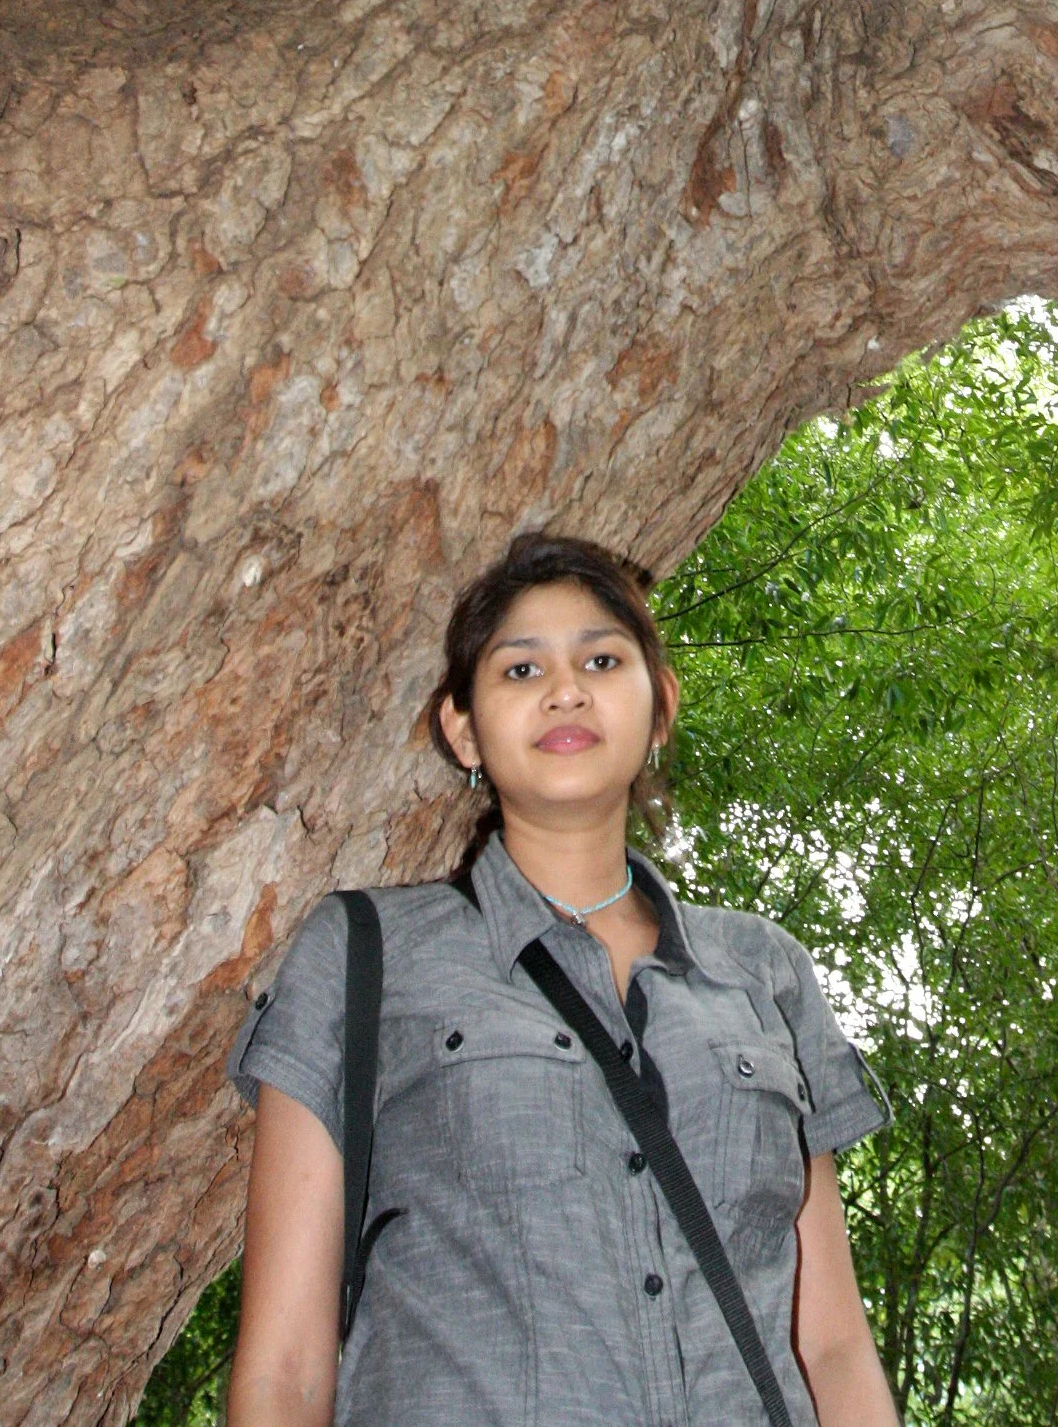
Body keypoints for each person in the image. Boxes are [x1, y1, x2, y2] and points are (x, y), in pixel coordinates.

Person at [224, 531, 899, 1427]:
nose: (565, 689)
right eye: (518, 671)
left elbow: (833, 1344)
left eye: (602, 659)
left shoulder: (764, 971)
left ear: (659, 707)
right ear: (460, 727)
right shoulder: (364, 953)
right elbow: (285, 1366)